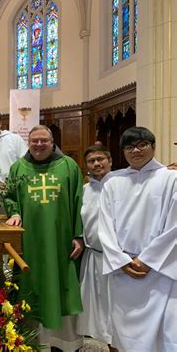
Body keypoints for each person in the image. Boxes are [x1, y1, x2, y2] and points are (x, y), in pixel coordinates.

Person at [5, 125, 84, 351]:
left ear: (52, 142)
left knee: (62, 285)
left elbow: (80, 202)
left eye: (44, 141)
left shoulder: (69, 166)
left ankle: (64, 342)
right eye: (34, 141)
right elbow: (10, 197)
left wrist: (78, 235)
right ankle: (33, 340)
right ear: (28, 143)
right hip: (30, 240)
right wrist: (15, 213)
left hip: (61, 240)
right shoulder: (18, 168)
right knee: (32, 284)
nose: (39, 145)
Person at [98, 127, 176, 352]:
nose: (136, 150)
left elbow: (175, 225)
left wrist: (149, 260)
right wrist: (121, 260)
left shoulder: (171, 178)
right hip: (123, 271)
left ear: (153, 146)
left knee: (163, 336)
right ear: (123, 151)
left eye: (142, 144)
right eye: (129, 146)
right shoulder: (113, 182)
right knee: (124, 339)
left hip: (160, 271)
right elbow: (105, 226)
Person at [76, 144, 116, 350]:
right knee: (95, 307)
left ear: (110, 161)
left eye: (101, 159)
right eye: (91, 161)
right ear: (87, 166)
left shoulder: (121, 185)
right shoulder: (84, 190)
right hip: (92, 256)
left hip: (116, 259)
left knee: (115, 306)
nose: (97, 163)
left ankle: (115, 344)